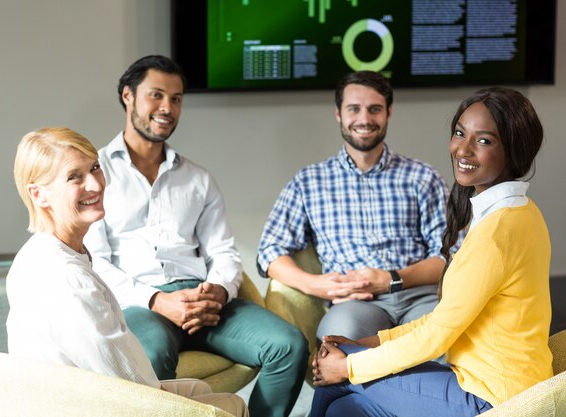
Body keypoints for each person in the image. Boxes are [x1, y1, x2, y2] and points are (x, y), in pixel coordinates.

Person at [83, 55, 308, 417]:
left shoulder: (198, 179)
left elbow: (224, 253)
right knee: (149, 356)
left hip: (203, 298)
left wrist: (217, 291)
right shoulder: (95, 174)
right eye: (156, 95)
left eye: (176, 99)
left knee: (288, 344)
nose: (167, 108)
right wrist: (158, 300)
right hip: (139, 304)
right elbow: (95, 262)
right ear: (128, 96)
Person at [310, 87, 552, 417]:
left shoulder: (497, 233)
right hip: (484, 380)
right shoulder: (519, 211)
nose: (462, 149)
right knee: (345, 407)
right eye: (459, 133)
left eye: (484, 140)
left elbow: (436, 336)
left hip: (492, 396)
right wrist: (370, 343)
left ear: (513, 149)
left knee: (336, 378)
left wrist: (348, 367)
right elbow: (441, 320)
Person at [7, 127, 249, 416]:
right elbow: (125, 383)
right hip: (92, 405)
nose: (95, 185)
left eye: (95, 167)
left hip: (83, 392)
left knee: (200, 390)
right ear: (38, 194)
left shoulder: (36, 253)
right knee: (233, 405)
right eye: (75, 177)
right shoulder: (69, 278)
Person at [257, 71, 450, 343]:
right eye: (354, 109)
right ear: (339, 113)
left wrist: (392, 278)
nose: (364, 119)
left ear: (388, 113)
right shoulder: (309, 182)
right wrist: (316, 285)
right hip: (354, 305)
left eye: (375, 109)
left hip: (420, 296)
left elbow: (450, 256)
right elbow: (269, 252)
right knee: (340, 343)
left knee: (444, 340)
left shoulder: (422, 176)